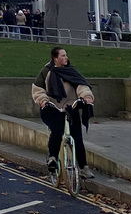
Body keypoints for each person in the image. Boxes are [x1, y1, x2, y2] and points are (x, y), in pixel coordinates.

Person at [31, 46, 95, 180]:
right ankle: (53, 158)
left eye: (66, 55)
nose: (66, 58)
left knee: (77, 138)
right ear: (55, 58)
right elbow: (38, 89)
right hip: (52, 108)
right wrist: (43, 101)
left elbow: (81, 86)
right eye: (63, 55)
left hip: (71, 107)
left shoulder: (71, 71)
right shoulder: (47, 72)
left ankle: (83, 167)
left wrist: (86, 97)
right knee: (57, 132)